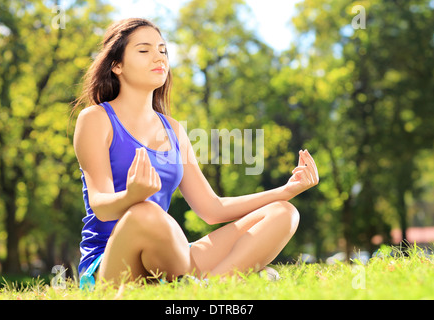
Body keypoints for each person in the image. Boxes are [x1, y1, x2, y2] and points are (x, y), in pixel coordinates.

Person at [72, 18, 319, 288]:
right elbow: (101, 206)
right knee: (146, 212)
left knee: (283, 213)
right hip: (109, 263)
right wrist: (132, 196)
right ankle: (219, 280)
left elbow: (211, 209)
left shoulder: (174, 130)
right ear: (116, 65)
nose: (159, 57)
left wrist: (285, 190)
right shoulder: (96, 119)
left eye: (163, 50)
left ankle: (211, 288)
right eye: (144, 50)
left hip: (168, 256)